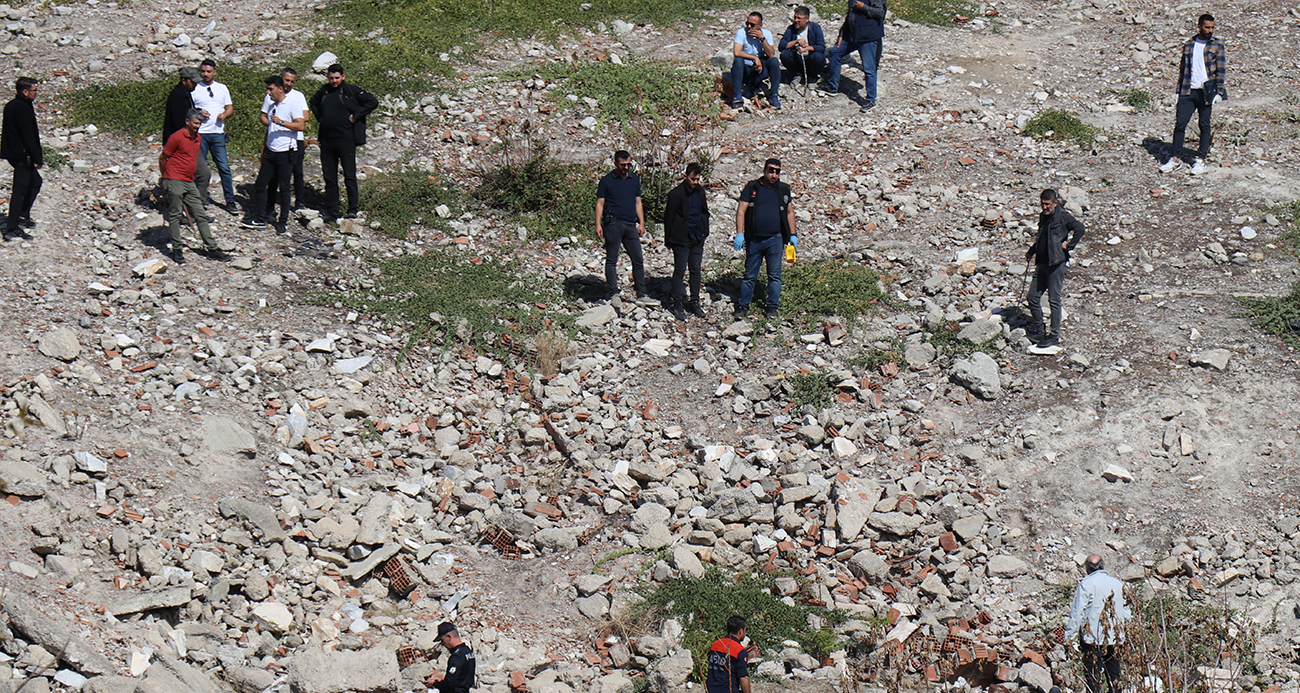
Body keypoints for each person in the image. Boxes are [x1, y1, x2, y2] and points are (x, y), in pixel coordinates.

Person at [309, 63, 379, 221]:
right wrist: (320, 117)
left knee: (349, 175)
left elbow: (372, 101)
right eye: (331, 78)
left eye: (337, 78)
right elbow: (313, 102)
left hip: (346, 139)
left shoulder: (350, 91)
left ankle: (352, 209)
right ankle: (333, 210)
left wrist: (356, 116)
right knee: (329, 176)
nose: (334, 81)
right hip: (326, 140)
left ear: (343, 77)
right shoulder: (324, 91)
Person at [1160, 14, 1226, 176]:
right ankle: (1175, 159)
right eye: (1207, 27)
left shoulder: (1217, 45)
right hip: (1187, 91)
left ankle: (1201, 160)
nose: (1210, 30)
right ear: (1199, 27)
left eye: (1212, 28)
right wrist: (1178, 91)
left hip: (1206, 92)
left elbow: (1221, 70)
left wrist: (1219, 91)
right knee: (1180, 124)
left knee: (1204, 125)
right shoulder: (1189, 45)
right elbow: (1183, 70)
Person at [159, 108, 226, 262]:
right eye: (195, 123)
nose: (197, 126)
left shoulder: (198, 138)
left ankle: (212, 247)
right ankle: (177, 249)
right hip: (175, 179)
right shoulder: (176, 137)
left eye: (199, 124)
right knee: (175, 215)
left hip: (189, 181)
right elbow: (163, 157)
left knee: (200, 214)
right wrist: (165, 177)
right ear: (187, 121)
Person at [733, 158, 796, 320]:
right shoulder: (752, 187)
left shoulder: (783, 189)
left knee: (774, 275)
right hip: (754, 239)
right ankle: (742, 306)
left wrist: (793, 235)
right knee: (749, 275)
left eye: (777, 171)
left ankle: (772, 307)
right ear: (764, 170)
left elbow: (790, 212)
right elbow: (741, 211)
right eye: (771, 170)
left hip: (775, 239)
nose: (774, 174)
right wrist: (740, 233)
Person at [242, 75, 304, 234]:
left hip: (286, 151)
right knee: (260, 184)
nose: (268, 92)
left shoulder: (293, 104)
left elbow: (300, 125)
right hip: (271, 151)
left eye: (271, 89)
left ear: (280, 89)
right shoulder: (271, 105)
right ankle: (260, 218)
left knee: (284, 187)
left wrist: (281, 122)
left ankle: (283, 222)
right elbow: (268, 129)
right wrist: (264, 148)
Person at [1024, 189, 1084, 355]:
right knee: (1032, 297)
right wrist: (1031, 251)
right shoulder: (1043, 216)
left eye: (1047, 204)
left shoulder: (1063, 216)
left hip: (1056, 264)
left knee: (1054, 300)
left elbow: (1080, 228)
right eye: (1042, 203)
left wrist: (1069, 245)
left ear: (1055, 203)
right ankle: (1039, 329)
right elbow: (1041, 237)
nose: (1044, 207)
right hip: (1042, 263)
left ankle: (1054, 336)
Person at [1064, 555, 1130, 693]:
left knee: (1093, 680)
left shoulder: (1086, 584)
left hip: (1093, 640)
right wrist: (1125, 634)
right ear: (1103, 566)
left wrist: (1069, 638)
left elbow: (1077, 613)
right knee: (1115, 679)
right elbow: (1126, 612)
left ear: (1087, 568)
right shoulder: (1117, 584)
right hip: (1115, 639)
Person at [594, 150, 647, 301]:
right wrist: (598, 224)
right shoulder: (607, 181)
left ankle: (641, 292)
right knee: (612, 259)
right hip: (613, 223)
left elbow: (638, 202)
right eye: (623, 165)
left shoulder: (634, 180)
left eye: (629, 164)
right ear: (615, 163)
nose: (626, 167)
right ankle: (613, 291)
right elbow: (600, 203)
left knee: (638, 259)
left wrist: (641, 222)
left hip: (631, 224)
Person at [663, 162, 711, 321]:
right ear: (686, 176)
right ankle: (677, 304)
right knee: (680, 270)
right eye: (693, 179)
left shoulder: (700, 192)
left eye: (697, 179)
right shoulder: (676, 194)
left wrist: (705, 231)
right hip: (680, 239)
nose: (695, 182)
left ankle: (694, 302)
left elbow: (705, 212)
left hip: (697, 237)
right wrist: (668, 239)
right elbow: (669, 218)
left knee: (696, 270)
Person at [820, 0, 887, 112]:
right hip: (853, 36)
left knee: (869, 69)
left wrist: (864, 7)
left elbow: (880, 13)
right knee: (835, 52)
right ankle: (832, 86)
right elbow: (850, 16)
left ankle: (870, 100)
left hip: (868, 38)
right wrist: (842, 34)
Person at [261, 68, 310, 214]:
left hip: (295, 139)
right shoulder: (270, 96)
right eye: (287, 80)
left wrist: (285, 120)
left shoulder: (297, 97)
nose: (289, 84)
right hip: (275, 138)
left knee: (297, 170)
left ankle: (299, 201)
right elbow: (264, 115)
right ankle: (272, 204)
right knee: (275, 172)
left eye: (292, 81)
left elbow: (305, 117)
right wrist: (271, 125)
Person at [191, 59, 237, 213]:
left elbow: (229, 107)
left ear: (214, 72)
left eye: (209, 71)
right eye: (203, 71)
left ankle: (230, 200)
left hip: (217, 133)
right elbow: (189, 110)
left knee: (224, 168)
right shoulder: (195, 88)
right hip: (200, 134)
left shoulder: (222, 88)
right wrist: (199, 113)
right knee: (200, 168)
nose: (205, 74)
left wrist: (224, 115)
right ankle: (200, 199)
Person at [1, 77, 42, 239]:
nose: (36, 93)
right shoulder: (22, 108)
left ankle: (23, 215)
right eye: (34, 90)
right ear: (25, 92)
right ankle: (11, 228)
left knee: (35, 182)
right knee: (19, 191)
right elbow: (28, 136)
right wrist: (37, 158)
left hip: (15, 153)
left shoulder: (14, 105)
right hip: (22, 155)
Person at [731, 12, 782, 110]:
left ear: (760, 26)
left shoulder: (767, 34)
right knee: (738, 60)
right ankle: (737, 95)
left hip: (759, 68)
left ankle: (774, 94)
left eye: (752, 25)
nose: (749, 27)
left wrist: (762, 39)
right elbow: (737, 52)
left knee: (774, 61)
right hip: (746, 67)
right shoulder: (741, 32)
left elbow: (771, 54)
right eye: (747, 24)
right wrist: (754, 58)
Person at [706, 616, 758, 693]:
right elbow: (743, 678)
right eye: (745, 630)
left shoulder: (715, 645)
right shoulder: (739, 650)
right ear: (740, 631)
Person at [779, 7, 826, 85]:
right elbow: (781, 46)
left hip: (811, 58)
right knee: (784, 54)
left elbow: (821, 47)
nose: (796, 20)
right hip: (797, 58)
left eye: (799, 18)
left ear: (807, 19)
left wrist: (807, 48)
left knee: (818, 56)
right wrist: (795, 42)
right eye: (795, 18)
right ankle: (796, 74)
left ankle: (812, 76)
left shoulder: (815, 28)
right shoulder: (791, 29)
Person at [424, 622, 475, 693]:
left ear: (449, 637)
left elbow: (450, 685)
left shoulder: (456, 657)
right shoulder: (468, 651)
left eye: (442, 640)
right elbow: (459, 678)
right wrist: (441, 681)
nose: (442, 643)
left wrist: (434, 684)